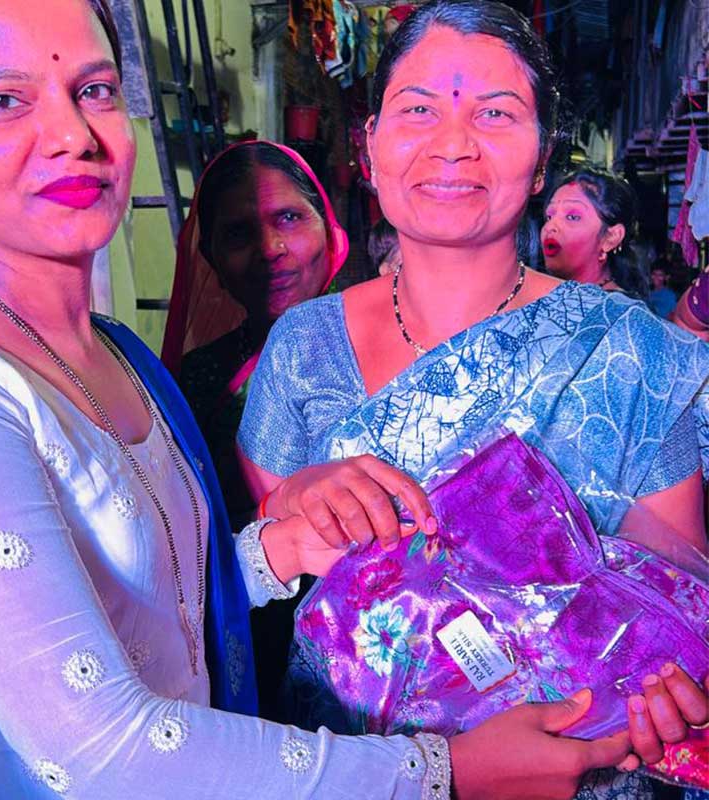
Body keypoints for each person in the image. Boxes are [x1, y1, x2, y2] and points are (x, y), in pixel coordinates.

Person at [0, 2, 681, 799]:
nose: (72, 133)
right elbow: (103, 754)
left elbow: (162, 620)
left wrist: (280, 548)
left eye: (95, 90)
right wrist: (445, 772)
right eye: (4, 99)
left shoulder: (119, 358)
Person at [237, 2, 709, 798]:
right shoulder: (303, 349)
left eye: (495, 113)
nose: (453, 144)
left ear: (543, 156)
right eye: (418, 110)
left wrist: (670, 694)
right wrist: (292, 502)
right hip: (349, 773)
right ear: (371, 144)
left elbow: (673, 606)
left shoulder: (630, 354)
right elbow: (261, 585)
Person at [161, 140, 347, 527]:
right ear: (211, 259)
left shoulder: (386, 337)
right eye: (238, 234)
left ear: (328, 229)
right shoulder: (197, 379)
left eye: (289, 218)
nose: (269, 248)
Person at [541, 168, 650, 299]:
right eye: (549, 216)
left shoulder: (619, 309)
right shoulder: (545, 298)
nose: (550, 227)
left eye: (572, 217)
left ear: (611, 237)